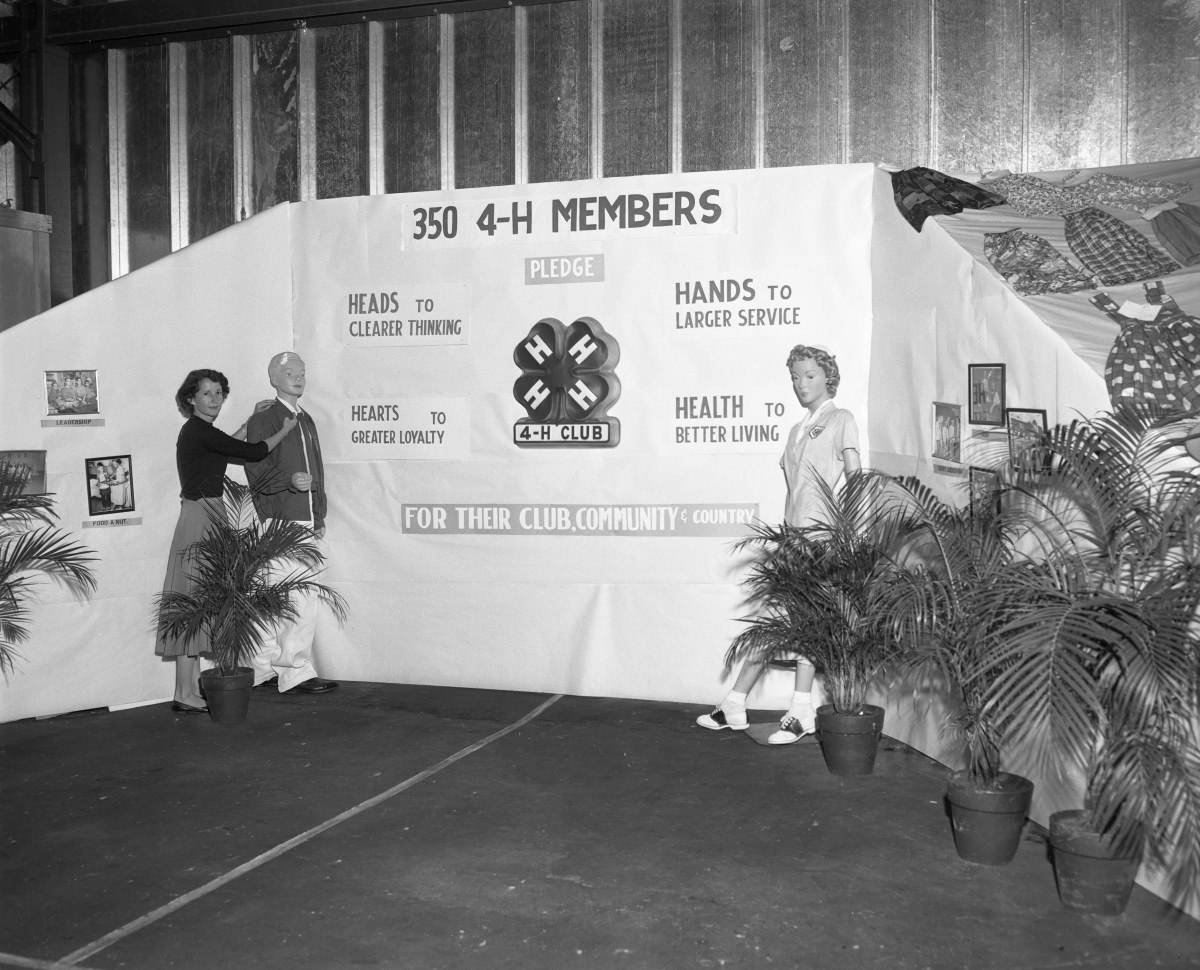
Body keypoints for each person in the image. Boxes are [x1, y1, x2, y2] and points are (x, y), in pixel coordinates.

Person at [696, 344, 862, 744]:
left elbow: (856, 479)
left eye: (809, 376)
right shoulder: (796, 430)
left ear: (828, 378)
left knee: (805, 625)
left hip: (821, 540)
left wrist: (848, 532)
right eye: (795, 377)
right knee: (771, 623)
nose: (801, 384)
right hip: (792, 540)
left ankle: (801, 710)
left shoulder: (841, 419)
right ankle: (735, 704)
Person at [155, 369, 298, 714]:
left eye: (219, 393)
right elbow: (252, 451)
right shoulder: (198, 431)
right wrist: (284, 428)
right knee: (193, 600)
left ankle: (185, 692)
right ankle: (184, 692)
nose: (215, 399)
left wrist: (253, 418)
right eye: (207, 393)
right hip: (200, 517)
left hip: (206, 513)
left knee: (197, 601)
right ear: (191, 398)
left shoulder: (200, 433)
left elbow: (225, 449)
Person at [244, 351, 338, 694]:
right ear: (274, 379)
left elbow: (317, 472)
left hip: (303, 518)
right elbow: (255, 470)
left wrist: (319, 514)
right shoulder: (266, 419)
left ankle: (262, 668)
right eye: (289, 372)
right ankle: (294, 669)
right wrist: (287, 482)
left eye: (302, 372)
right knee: (297, 596)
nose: (298, 377)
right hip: (282, 519)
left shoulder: (306, 418)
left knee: (278, 595)